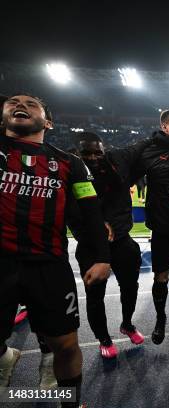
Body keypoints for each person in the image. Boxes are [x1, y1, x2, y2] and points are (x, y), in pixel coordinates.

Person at [0, 94, 110, 407]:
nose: (19, 105)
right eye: (13, 102)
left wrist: (103, 257)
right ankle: (7, 357)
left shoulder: (70, 163)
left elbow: (90, 212)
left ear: (48, 122)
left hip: (48, 264)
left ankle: (69, 403)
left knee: (65, 345)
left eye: (30, 104)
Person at [108, 109, 169, 345]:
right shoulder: (150, 151)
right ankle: (161, 318)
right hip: (162, 228)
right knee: (161, 278)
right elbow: (118, 166)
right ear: (164, 126)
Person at [72, 131, 144, 359]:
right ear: (78, 152)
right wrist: (96, 226)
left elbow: (141, 147)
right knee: (95, 296)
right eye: (87, 153)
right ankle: (103, 338)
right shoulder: (70, 172)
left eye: (97, 152)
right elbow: (69, 212)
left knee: (130, 287)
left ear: (104, 151)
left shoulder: (117, 168)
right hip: (91, 246)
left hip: (122, 240)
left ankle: (127, 324)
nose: (93, 157)